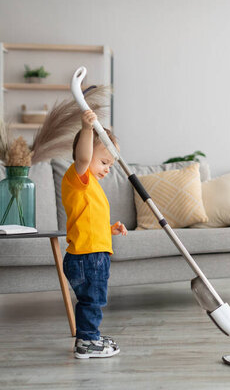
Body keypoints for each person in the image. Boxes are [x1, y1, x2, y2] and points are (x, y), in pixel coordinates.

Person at [61, 110, 127, 358]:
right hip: (88, 258)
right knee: (93, 301)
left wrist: (109, 229)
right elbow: (83, 156)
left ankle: (90, 335)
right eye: (103, 162)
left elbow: (87, 222)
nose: (107, 168)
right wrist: (87, 128)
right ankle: (87, 343)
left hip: (91, 253)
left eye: (110, 164)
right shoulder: (79, 177)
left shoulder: (91, 186)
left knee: (92, 300)